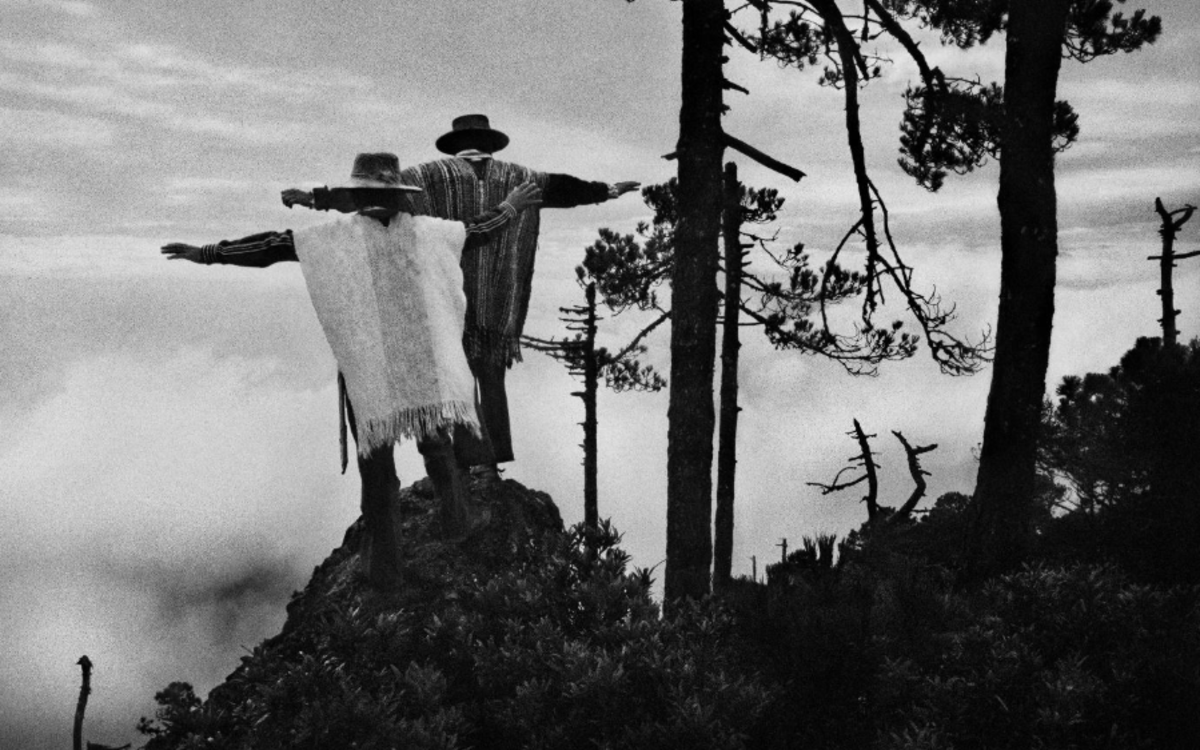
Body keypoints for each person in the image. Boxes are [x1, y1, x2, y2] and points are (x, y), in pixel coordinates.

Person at [163, 152, 542, 590]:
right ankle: (458, 520)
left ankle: (386, 571)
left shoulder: (335, 239)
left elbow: (273, 246)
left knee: (378, 471)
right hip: (423, 362)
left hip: (369, 370)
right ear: (402, 196)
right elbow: (477, 231)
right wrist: (511, 205)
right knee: (436, 444)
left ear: (358, 195)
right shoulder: (427, 234)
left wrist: (208, 253)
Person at [283, 115, 640, 478]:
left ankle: (469, 458)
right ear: (489, 143)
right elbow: (568, 189)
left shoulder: (429, 176)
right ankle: (494, 457)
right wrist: (608, 189)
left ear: (455, 143)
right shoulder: (522, 178)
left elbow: (372, 193)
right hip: (501, 296)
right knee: (493, 376)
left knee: (458, 374)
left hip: (449, 291)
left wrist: (316, 198)